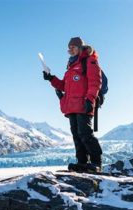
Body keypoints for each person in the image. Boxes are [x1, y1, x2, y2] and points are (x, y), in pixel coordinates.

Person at [43, 37, 103, 172]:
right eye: (69, 48)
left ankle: (96, 163)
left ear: (80, 47)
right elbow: (64, 86)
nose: (70, 49)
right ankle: (82, 162)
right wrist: (51, 78)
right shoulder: (71, 66)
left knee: (85, 133)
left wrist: (90, 100)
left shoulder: (89, 61)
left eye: (73, 47)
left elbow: (95, 82)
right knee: (76, 135)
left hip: (84, 104)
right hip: (71, 106)